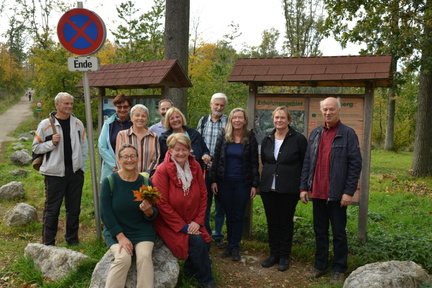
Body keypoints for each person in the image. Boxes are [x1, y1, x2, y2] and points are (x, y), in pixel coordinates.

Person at [299, 97, 362, 285]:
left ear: (338, 111)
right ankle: (320, 265)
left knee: (338, 232)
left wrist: (348, 191)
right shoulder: (316, 133)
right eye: (325, 109)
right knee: (320, 231)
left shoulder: (348, 134)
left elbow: (355, 165)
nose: (328, 113)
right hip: (317, 192)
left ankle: (339, 267)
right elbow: (308, 162)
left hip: (337, 194)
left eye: (331, 109)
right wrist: (304, 187)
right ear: (321, 111)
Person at [152, 133, 218, 288]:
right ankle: (207, 280)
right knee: (197, 241)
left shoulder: (194, 166)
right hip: (169, 223)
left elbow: (203, 195)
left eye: (184, 149)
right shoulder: (162, 170)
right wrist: (184, 227)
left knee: (206, 242)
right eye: (177, 149)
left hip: (192, 219)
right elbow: (161, 203)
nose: (181, 153)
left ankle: (189, 270)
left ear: (190, 149)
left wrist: (197, 221)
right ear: (170, 150)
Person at [32, 92, 88, 246]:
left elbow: (84, 147)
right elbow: (35, 147)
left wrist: (82, 167)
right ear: (57, 105)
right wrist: (51, 143)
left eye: (71, 103)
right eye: (66, 104)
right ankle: (48, 243)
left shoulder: (77, 124)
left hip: (75, 173)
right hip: (54, 173)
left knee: (74, 209)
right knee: (52, 209)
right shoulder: (45, 124)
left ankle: (72, 240)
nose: (69, 106)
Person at [100, 144, 158, 288]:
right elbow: (105, 212)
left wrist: (148, 211)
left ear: (138, 159)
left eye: (132, 156)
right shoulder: (110, 181)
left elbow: (154, 212)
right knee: (123, 258)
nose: (129, 160)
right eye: (125, 157)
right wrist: (120, 236)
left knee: (144, 256)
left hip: (142, 230)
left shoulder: (145, 182)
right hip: (117, 231)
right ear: (119, 160)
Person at [259, 107, 307, 272]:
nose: (279, 120)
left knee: (285, 223)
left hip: (288, 188)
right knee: (272, 222)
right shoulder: (267, 138)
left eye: (282, 118)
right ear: (273, 119)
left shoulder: (298, 139)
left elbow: (304, 163)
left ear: (288, 120)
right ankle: (274, 254)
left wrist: (303, 187)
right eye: (276, 118)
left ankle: (284, 256)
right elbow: (265, 161)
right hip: (268, 188)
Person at [210, 108, 259, 261]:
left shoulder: (250, 137)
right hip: (224, 181)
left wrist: (254, 184)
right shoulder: (223, 135)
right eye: (234, 117)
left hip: (242, 183)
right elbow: (216, 158)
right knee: (228, 214)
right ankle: (229, 245)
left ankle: (234, 246)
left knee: (238, 215)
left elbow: (253, 163)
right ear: (230, 119)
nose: (237, 120)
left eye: (240, 118)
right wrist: (213, 180)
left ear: (245, 120)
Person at [196, 92, 228, 249]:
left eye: (222, 105)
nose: (219, 107)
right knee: (205, 204)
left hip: (222, 170)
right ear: (211, 104)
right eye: (216, 104)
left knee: (221, 205)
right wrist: (203, 155)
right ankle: (205, 232)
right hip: (205, 170)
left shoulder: (228, 122)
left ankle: (218, 234)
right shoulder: (202, 121)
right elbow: (196, 143)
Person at [116, 104, 160, 174]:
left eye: (143, 116)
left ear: (147, 119)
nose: (140, 118)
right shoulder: (122, 135)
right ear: (131, 118)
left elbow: (156, 158)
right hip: (127, 177)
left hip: (148, 178)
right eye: (137, 115)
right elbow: (119, 157)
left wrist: (147, 174)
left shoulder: (153, 136)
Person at [98, 94, 133, 183]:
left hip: (130, 168)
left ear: (129, 108)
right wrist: (115, 165)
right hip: (111, 169)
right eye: (119, 107)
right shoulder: (108, 123)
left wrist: (126, 164)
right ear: (115, 107)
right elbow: (102, 146)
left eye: (125, 107)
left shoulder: (134, 124)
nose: (122, 109)